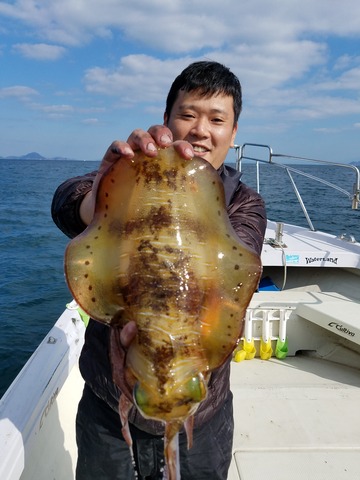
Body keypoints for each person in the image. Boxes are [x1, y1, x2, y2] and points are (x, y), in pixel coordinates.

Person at [52, 61, 266, 480]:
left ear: (233, 133)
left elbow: (240, 261)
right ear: (167, 120)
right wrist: (105, 194)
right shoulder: (126, 178)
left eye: (217, 119)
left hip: (203, 416)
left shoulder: (243, 202)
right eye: (188, 115)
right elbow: (66, 203)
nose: (201, 130)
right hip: (109, 408)